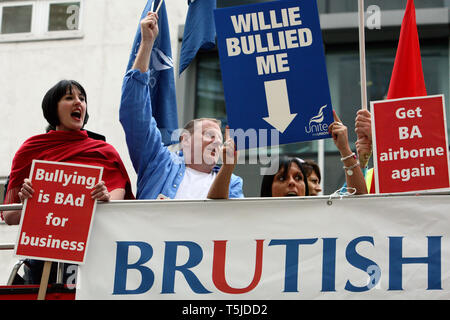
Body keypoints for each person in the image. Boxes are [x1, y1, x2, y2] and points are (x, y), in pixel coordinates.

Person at [1, 79, 134, 284]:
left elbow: (117, 203)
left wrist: (104, 197)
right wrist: (25, 199)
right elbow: (10, 215)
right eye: (69, 98)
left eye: (82, 98)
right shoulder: (31, 150)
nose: (78, 103)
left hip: (93, 255)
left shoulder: (103, 152)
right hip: (42, 257)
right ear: (53, 108)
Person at [119, 12, 243, 200]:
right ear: (184, 139)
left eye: (220, 139)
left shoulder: (233, 182)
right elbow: (135, 113)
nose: (217, 142)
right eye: (209, 135)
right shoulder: (158, 163)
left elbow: (230, 224)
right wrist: (147, 44)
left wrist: (227, 169)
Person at [261, 111, 368, 197]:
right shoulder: (253, 220)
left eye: (298, 178)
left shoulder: (324, 216)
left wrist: (345, 149)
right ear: (267, 189)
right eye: (281, 178)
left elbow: (356, 202)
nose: (292, 182)